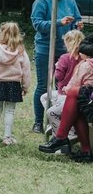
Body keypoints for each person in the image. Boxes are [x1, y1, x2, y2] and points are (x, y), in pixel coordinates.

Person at [30, 0, 83, 133]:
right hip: (45, 49)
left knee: (65, 86)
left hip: (67, 51)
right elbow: (37, 24)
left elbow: (77, 19)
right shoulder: (41, 1)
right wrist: (60, 22)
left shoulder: (69, 1)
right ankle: (38, 122)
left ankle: (61, 120)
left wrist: (78, 24)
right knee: (44, 85)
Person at [39, 34, 93, 162]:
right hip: (86, 98)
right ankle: (84, 150)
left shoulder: (86, 65)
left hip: (83, 97)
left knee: (73, 94)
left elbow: (70, 84)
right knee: (76, 104)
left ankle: (61, 137)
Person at [0, 22, 31, 145]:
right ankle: (7, 137)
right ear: (17, 34)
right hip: (14, 84)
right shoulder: (21, 51)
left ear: (2, 33)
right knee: (10, 111)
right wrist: (25, 86)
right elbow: (26, 70)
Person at [45, 29, 85, 138]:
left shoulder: (65, 58)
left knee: (52, 108)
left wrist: (57, 66)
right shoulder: (84, 58)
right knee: (44, 97)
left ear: (67, 43)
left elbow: (58, 76)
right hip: (79, 92)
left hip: (64, 93)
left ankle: (63, 131)